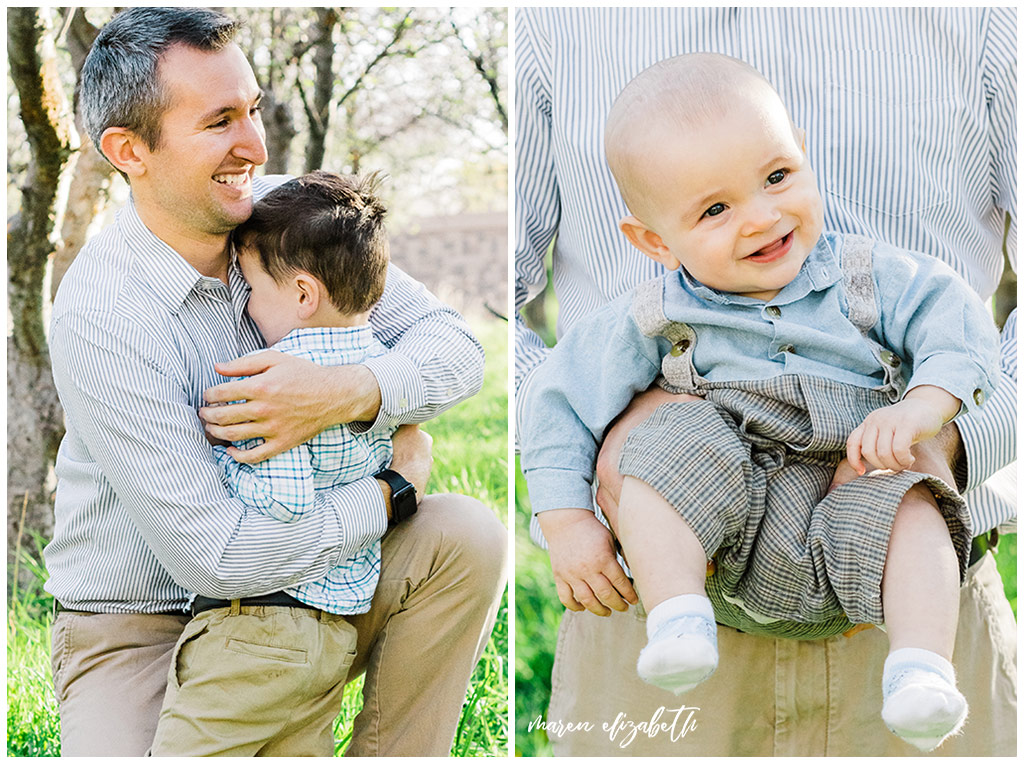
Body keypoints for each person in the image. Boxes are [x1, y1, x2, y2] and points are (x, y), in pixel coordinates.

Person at [515, 7, 1016, 757]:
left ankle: (921, 672)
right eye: (715, 209)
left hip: (892, 508)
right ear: (653, 242)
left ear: (802, 157)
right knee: (672, 446)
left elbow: (954, 328)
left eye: (780, 177)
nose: (762, 219)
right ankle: (678, 618)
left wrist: (939, 420)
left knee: (911, 502)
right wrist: (569, 511)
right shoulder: (652, 310)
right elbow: (557, 390)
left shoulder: (872, 273)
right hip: (660, 591)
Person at [47, 7, 506, 757]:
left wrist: (349, 392)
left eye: (253, 109)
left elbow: (456, 351)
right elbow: (216, 558)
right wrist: (387, 493)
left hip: (315, 589)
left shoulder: (287, 218)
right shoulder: (103, 314)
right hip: (141, 626)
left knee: (465, 537)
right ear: (130, 150)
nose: (254, 147)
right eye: (220, 120)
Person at [149, 170, 408, 754]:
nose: (242, 300)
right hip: (333, 629)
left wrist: (222, 462)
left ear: (301, 294)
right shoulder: (378, 365)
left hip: (259, 627)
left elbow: (285, 498)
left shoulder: (278, 376)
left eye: (251, 286)